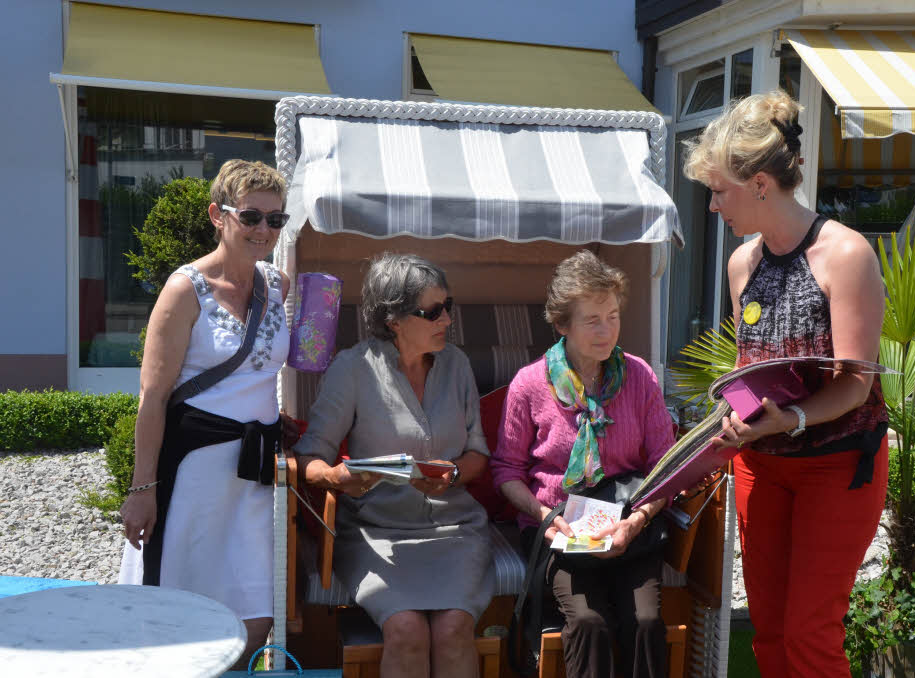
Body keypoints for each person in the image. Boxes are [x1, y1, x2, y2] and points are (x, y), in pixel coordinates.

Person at [684, 90, 889, 678]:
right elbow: (754, 372)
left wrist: (792, 420)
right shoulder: (741, 263)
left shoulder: (844, 253)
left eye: (718, 191)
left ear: (759, 185)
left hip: (838, 463)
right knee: (770, 633)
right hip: (761, 465)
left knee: (809, 636)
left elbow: (854, 386)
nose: (712, 206)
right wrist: (736, 414)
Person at [119, 159, 292, 667]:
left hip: (256, 474)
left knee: (257, 613)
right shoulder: (184, 290)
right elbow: (153, 400)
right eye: (251, 216)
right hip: (193, 473)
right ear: (218, 215)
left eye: (276, 219)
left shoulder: (278, 285)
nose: (264, 230)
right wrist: (141, 491)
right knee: (179, 617)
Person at [293, 253, 493, 678]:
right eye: (433, 311)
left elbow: (478, 453)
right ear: (393, 319)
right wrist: (335, 477)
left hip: (454, 530)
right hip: (376, 533)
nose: (447, 320)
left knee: (455, 628)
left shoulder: (456, 365)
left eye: (448, 306)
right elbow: (308, 458)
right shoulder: (353, 369)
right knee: (405, 630)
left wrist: (454, 474)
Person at [491, 250, 675, 678]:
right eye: (592, 320)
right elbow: (505, 470)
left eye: (612, 315)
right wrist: (544, 517)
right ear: (562, 325)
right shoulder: (529, 384)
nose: (606, 330)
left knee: (646, 623)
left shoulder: (640, 376)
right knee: (589, 623)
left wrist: (636, 521)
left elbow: (665, 468)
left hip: (628, 528)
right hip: (561, 530)